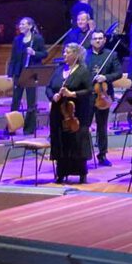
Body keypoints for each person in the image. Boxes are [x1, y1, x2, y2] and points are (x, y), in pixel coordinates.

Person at [46, 43, 93, 184]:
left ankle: (81, 173)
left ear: (76, 55)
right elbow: (49, 87)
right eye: (64, 52)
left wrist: (72, 94)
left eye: (67, 52)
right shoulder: (59, 69)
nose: (64, 54)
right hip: (58, 112)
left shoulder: (83, 71)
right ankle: (61, 173)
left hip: (76, 112)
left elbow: (89, 90)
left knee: (77, 142)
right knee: (60, 141)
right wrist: (53, 96)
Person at [87, 30, 122, 166]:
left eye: (100, 38)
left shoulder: (111, 54)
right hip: (88, 94)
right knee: (85, 126)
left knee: (102, 126)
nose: (98, 40)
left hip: (103, 95)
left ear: (104, 40)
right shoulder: (85, 55)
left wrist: (105, 77)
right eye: (95, 38)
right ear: (91, 41)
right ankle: (85, 154)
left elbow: (118, 73)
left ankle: (102, 155)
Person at [7, 17, 47, 135]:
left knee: (31, 102)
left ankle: (29, 128)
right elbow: (13, 58)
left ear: (30, 26)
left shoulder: (37, 39)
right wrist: (10, 74)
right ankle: (11, 127)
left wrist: (34, 53)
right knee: (15, 101)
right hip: (19, 72)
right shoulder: (17, 40)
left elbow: (45, 53)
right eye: (20, 24)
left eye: (23, 24)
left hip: (31, 73)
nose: (21, 26)